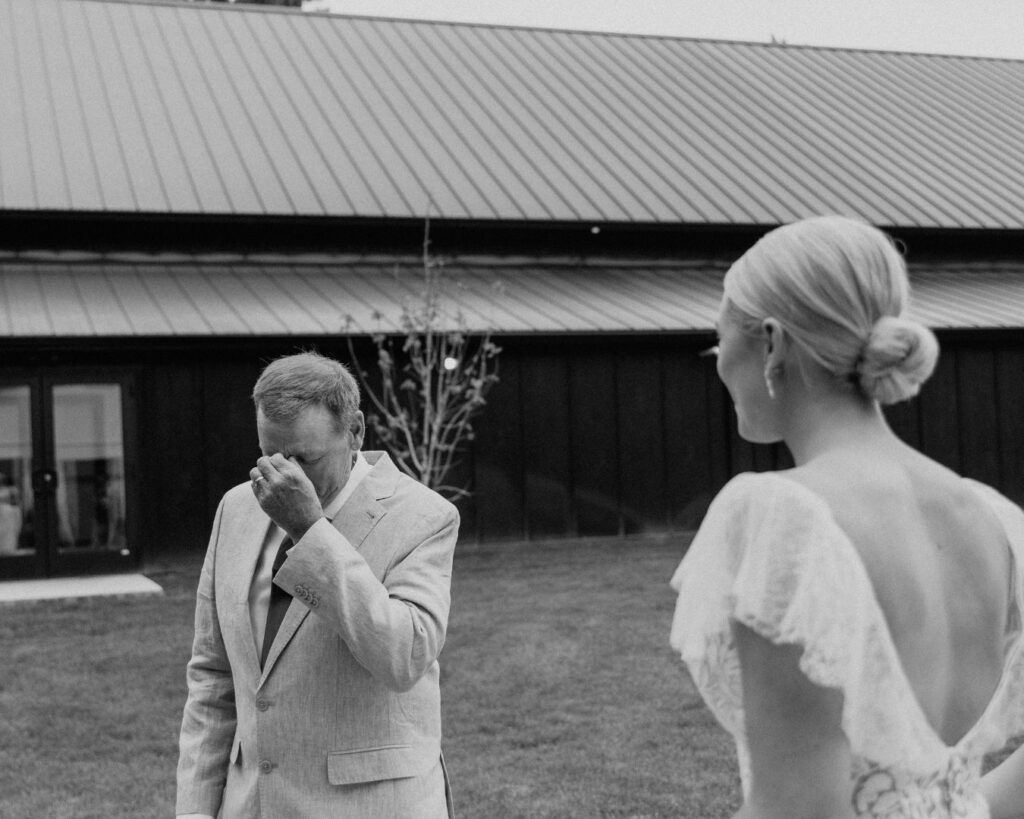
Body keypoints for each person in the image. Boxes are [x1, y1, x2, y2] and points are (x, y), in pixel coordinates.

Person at [669, 216, 1024, 818]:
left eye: (719, 338)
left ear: (773, 344)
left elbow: (797, 811)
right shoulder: (994, 521)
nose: (718, 361)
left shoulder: (785, 522)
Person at [176, 351, 458, 818]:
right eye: (271, 455)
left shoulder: (424, 517)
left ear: (355, 432)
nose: (286, 475)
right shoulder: (236, 508)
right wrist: (195, 810)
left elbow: (405, 656)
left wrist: (311, 532)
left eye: (306, 458)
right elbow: (213, 673)